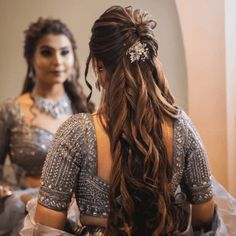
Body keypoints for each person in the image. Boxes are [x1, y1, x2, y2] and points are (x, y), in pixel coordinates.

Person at [21, 5, 227, 236]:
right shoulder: (181, 127)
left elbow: (46, 229)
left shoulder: (75, 133)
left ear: (98, 64)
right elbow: (204, 218)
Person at [0, 17, 93, 235]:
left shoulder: (85, 111)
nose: (58, 61)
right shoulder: (11, 110)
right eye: (46, 52)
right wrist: (17, 197)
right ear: (30, 58)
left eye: (64, 52)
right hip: (23, 218)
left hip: (78, 222)